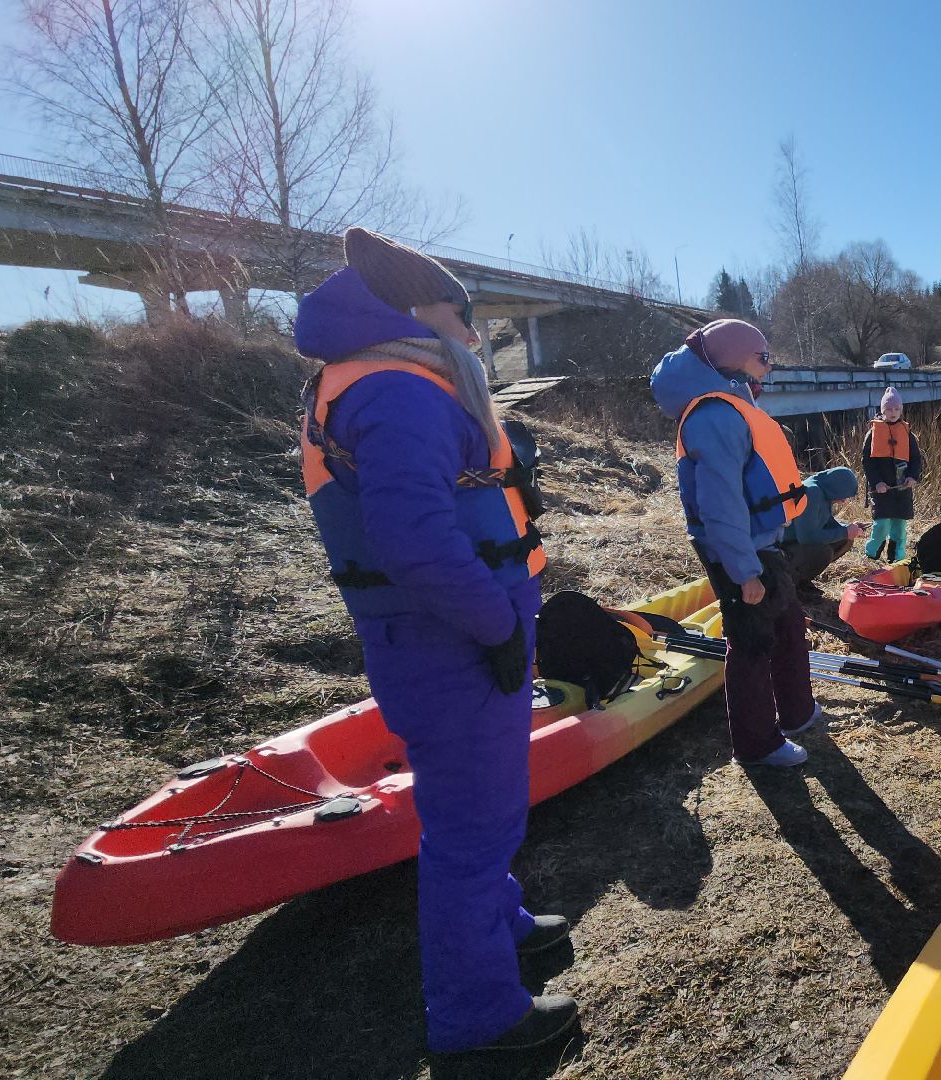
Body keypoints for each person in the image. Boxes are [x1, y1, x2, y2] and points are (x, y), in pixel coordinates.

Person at [293, 228, 578, 1075]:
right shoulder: (397, 390)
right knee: (471, 823)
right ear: (417, 311)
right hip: (451, 638)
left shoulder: (374, 379)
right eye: (463, 313)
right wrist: (496, 627)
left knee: (478, 807)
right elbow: (412, 538)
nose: (473, 332)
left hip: (443, 633)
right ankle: (478, 1014)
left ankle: (506, 926)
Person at [650, 319, 821, 767]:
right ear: (732, 362)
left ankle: (797, 712)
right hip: (738, 549)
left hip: (759, 542)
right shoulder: (714, 417)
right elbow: (720, 505)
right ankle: (757, 744)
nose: (768, 368)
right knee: (750, 641)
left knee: (787, 624)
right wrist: (744, 572)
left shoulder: (732, 407)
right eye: (762, 359)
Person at [781, 466, 871, 590]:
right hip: (783, 549)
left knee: (844, 539)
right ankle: (792, 584)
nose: (843, 501)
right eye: (843, 495)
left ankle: (803, 579)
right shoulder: (812, 492)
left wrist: (851, 528)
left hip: (796, 543)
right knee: (823, 552)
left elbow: (828, 523)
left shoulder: (823, 491)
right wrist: (845, 532)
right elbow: (807, 537)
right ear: (836, 488)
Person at [861, 386, 923, 562]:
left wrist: (913, 477)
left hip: (902, 489)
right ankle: (871, 555)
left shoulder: (907, 433)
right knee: (881, 525)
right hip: (881, 490)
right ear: (882, 410)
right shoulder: (872, 433)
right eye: (889, 409)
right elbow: (867, 462)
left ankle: (897, 559)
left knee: (899, 528)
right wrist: (877, 483)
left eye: (896, 409)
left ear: (901, 410)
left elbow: (916, 458)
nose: (893, 412)